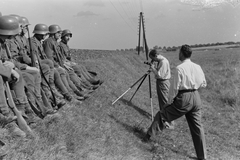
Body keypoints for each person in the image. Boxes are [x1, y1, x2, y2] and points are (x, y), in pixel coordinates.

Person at [143, 45, 207, 160]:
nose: (179, 54)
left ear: (182, 53)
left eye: (179, 52)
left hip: (184, 97)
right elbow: (203, 84)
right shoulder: (198, 67)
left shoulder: (180, 68)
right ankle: (202, 156)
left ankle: (147, 137)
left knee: (162, 115)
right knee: (198, 127)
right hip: (196, 97)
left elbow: (174, 89)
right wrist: (194, 90)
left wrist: (169, 102)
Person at [0, 15, 31, 138]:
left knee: (17, 76)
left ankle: (20, 108)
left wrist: (11, 67)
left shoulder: (3, 43)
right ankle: (6, 116)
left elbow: (4, 59)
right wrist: (9, 69)